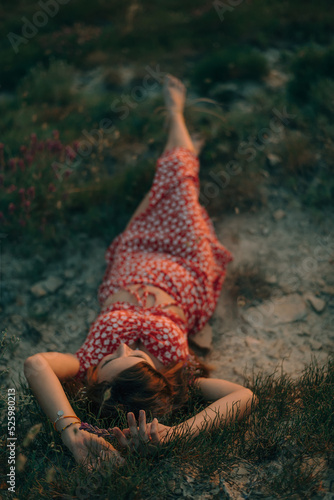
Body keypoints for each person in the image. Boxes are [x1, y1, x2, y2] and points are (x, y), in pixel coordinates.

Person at [24, 74, 258, 472]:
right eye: (135, 354)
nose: (123, 346)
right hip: (184, 260)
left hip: (132, 257)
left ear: (95, 385)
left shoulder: (84, 365)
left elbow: (34, 364)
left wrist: (71, 432)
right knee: (179, 183)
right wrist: (178, 433)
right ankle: (175, 114)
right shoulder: (175, 377)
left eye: (115, 357)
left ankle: (183, 146)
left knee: (167, 186)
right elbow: (244, 396)